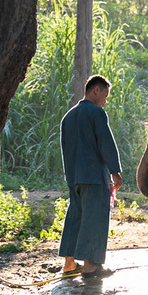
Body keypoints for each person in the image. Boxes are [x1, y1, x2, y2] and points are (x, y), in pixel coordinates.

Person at [59, 75, 124, 277]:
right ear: (96, 90)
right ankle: (90, 267)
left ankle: (69, 264)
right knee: (93, 219)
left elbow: (66, 149)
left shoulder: (68, 117)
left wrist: (71, 177)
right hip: (95, 177)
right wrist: (115, 172)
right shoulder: (97, 113)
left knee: (75, 218)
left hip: (74, 177)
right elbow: (106, 143)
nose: (105, 100)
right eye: (105, 95)